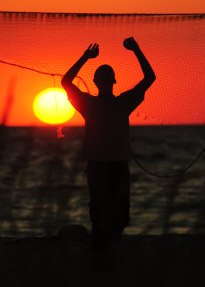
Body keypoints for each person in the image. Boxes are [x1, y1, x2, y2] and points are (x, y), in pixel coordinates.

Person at [61, 37, 156, 254]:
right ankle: (108, 247)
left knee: (103, 210)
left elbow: (66, 82)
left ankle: (104, 248)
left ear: (96, 82)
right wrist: (136, 50)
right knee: (115, 211)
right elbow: (150, 77)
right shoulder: (122, 102)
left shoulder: (90, 103)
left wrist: (86, 57)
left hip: (101, 165)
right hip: (112, 165)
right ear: (113, 81)